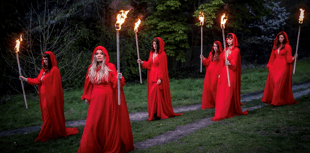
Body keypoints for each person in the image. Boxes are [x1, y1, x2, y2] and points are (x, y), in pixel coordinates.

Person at [78, 46, 133, 153]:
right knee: (93, 123)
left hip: (108, 99)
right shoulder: (91, 68)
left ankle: (109, 145)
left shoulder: (110, 66)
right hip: (95, 99)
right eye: (97, 53)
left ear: (105, 55)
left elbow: (116, 84)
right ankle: (90, 147)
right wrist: (86, 96)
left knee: (108, 123)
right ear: (94, 56)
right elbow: (88, 85)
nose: (98, 55)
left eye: (101, 53)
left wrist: (119, 79)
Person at [19, 51, 79, 142]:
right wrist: (25, 79)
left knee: (50, 115)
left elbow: (56, 87)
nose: (45, 61)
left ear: (51, 59)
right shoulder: (43, 70)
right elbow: (38, 80)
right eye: (43, 59)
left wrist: (52, 98)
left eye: (46, 59)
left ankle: (46, 133)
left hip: (51, 97)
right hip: (44, 97)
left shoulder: (55, 70)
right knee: (46, 114)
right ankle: (51, 132)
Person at [138, 37, 183, 121]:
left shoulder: (162, 54)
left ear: (159, 45)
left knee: (157, 94)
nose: (154, 45)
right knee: (152, 95)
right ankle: (154, 112)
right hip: (152, 76)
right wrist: (142, 62)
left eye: (156, 44)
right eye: (153, 44)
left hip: (158, 77)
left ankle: (159, 113)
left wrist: (160, 78)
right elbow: (149, 64)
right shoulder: (151, 53)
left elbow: (163, 68)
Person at [211, 33, 248, 121]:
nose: (229, 41)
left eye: (231, 39)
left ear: (234, 40)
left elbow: (235, 65)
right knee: (222, 91)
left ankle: (227, 111)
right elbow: (222, 63)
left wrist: (230, 64)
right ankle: (223, 110)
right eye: (228, 39)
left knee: (228, 91)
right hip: (224, 72)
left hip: (232, 72)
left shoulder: (236, 50)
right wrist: (220, 73)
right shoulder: (224, 50)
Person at [262, 31, 298, 106]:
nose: (280, 39)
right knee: (274, 82)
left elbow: (288, 59)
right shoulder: (275, 46)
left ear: (284, 38)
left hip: (283, 66)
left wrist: (293, 58)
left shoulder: (287, 47)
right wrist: (269, 64)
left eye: (282, 37)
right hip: (275, 66)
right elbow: (272, 57)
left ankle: (277, 101)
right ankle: (274, 99)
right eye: (279, 37)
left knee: (278, 82)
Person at [200, 41, 224, 109]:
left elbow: (221, 65)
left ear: (219, 47)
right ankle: (211, 103)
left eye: (216, 46)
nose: (215, 48)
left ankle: (218, 102)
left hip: (216, 73)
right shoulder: (211, 53)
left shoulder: (221, 54)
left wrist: (221, 74)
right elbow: (207, 62)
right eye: (214, 46)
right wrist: (203, 59)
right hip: (209, 73)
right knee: (209, 88)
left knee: (214, 87)